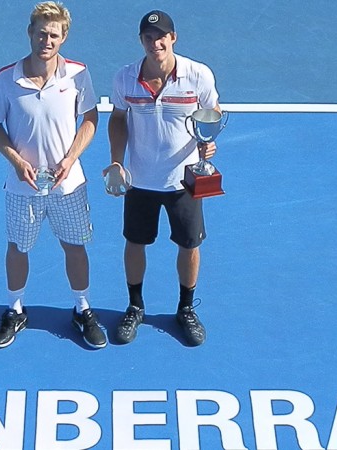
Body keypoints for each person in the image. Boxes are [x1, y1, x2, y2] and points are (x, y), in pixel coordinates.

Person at [0, 1, 106, 349]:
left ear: (63, 37)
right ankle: (15, 309)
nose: (46, 40)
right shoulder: (5, 79)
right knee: (18, 247)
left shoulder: (78, 75)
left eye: (53, 34)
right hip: (21, 185)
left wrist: (71, 158)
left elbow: (90, 118)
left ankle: (82, 309)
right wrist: (15, 160)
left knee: (75, 246)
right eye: (41, 33)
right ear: (30, 33)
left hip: (68, 184)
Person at [104, 10, 221, 346]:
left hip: (184, 180)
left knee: (189, 244)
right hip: (140, 180)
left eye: (161, 37)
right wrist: (116, 161)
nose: (155, 43)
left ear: (173, 38)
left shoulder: (198, 75)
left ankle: (185, 309)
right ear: (141, 40)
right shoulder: (125, 78)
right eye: (148, 38)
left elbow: (211, 114)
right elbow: (117, 119)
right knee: (135, 242)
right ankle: (135, 306)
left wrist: (207, 142)